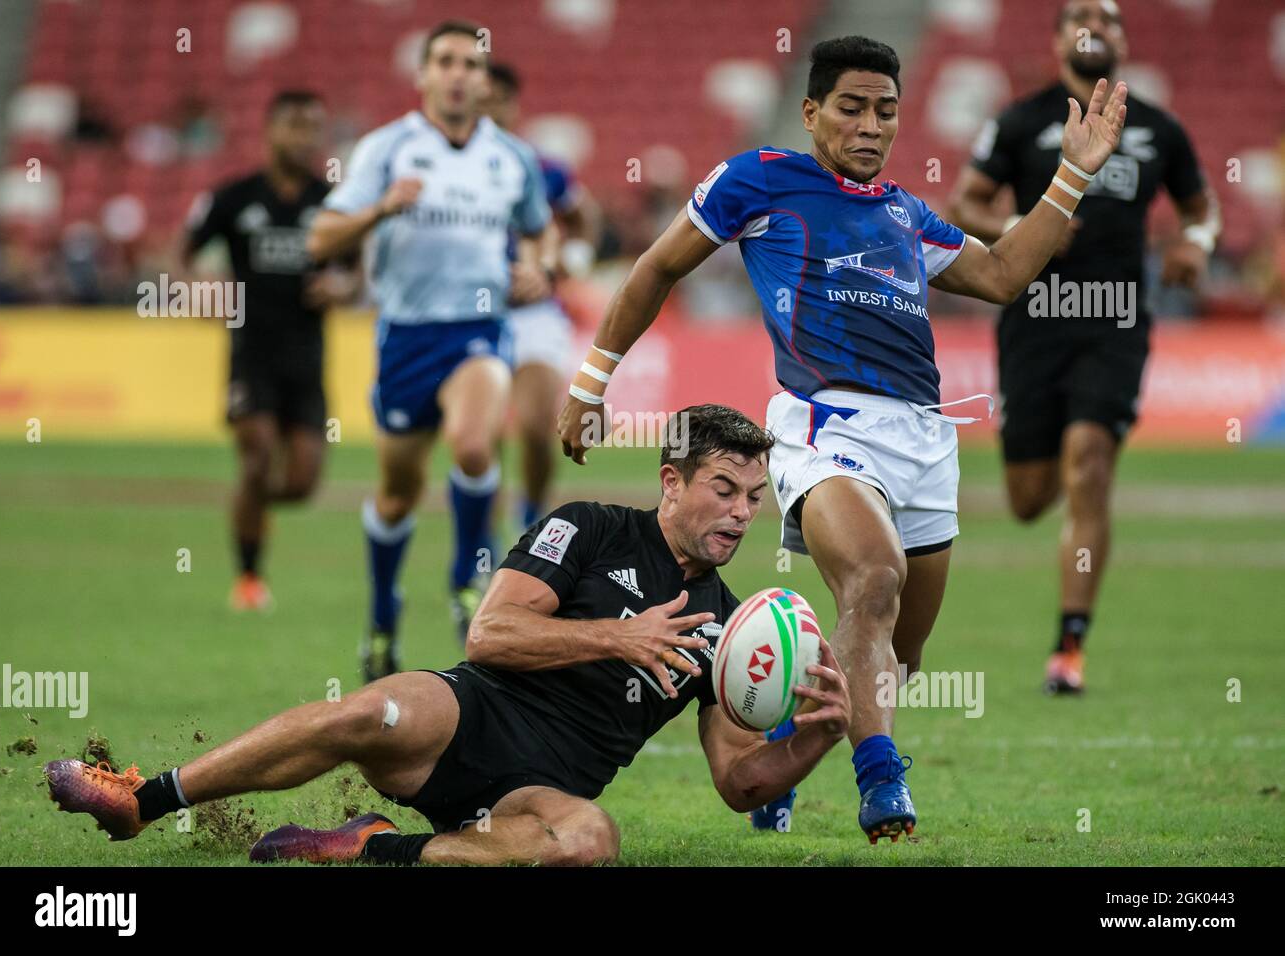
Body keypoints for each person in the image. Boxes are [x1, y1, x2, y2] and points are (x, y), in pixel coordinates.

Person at [557, 35, 1127, 842]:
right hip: (827, 424)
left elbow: (1001, 276)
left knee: (901, 655)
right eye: (852, 107)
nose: (870, 125)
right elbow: (655, 268)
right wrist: (590, 384)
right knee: (874, 576)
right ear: (812, 111)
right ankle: (883, 785)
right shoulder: (758, 178)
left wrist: (1073, 175)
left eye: (886, 111)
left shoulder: (905, 212)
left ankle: (791, 743)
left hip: (927, 440)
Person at [44, 405, 853, 866]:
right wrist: (617, 637)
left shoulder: (730, 624)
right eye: (726, 489)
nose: (745, 513)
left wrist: (818, 735)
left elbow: (739, 783)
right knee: (365, 715)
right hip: (466, 715)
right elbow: (490, 635)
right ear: (672, 483)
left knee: (589, 846)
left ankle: (369, 850)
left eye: (755, 497)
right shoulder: (589, 528)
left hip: (543, 785)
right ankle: (141, 803)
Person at [947, 0, 1215, 694]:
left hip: (1117, 323)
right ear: (1059, 36)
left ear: (1123, 40)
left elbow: (1199, 206)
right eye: (1079, 14)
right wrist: (1019, 220)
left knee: (1089, 463)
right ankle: (1059, 506)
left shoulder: (1159, 128)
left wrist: (1197, 242)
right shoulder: (1017, 121)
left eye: (1109, 16)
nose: (1094, 23)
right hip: (1032, 322)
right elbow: (963, 204)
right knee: (1030, 497)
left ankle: (1069, 650)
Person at [304, 20, 554, 679]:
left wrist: (536, 268)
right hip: (404, 338)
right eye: (444, 61)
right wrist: (380, 211)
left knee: (474, 443)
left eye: (471, 63)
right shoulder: (386, 151)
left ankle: (470, 576)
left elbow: (537, 231)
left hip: (476, 329)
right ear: (422, 76)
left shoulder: (511, 158)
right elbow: (322, 238)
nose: (458, 73)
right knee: (396, 494)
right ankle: (383, 613)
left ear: (483, 79)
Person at [181, 90, 358, 611]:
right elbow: (183, 253)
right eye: (294, 126)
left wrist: (344, 288)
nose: (304, 138)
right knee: (256, 453)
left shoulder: (331, 204)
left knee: (301, 483)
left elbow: (358, 267)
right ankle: (250, 577)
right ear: (270, 131)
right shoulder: (233, 198)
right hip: (250, 354)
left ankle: (247, 503)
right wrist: (198, 287)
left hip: (306, 359)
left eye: (313, 127)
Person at [480, 61, 602, 530]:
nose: (489, 110)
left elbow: (583, 218)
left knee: (534, 426)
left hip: (533, 313)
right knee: (480, 436)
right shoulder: (450, 169)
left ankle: (530, 515)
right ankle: (481, 536)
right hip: (474, 315)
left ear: (513, 105)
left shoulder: (540, 167)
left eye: (498, 100)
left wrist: (569, 264)